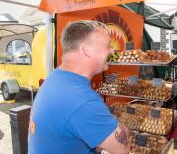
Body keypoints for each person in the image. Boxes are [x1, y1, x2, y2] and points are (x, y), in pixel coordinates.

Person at [28, 20, 130, 154]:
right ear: (86, 50)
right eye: (108, 45)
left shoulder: (55, 77)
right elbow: (122, 148)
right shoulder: (82, 100)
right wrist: (122, 128)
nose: (112, 50)